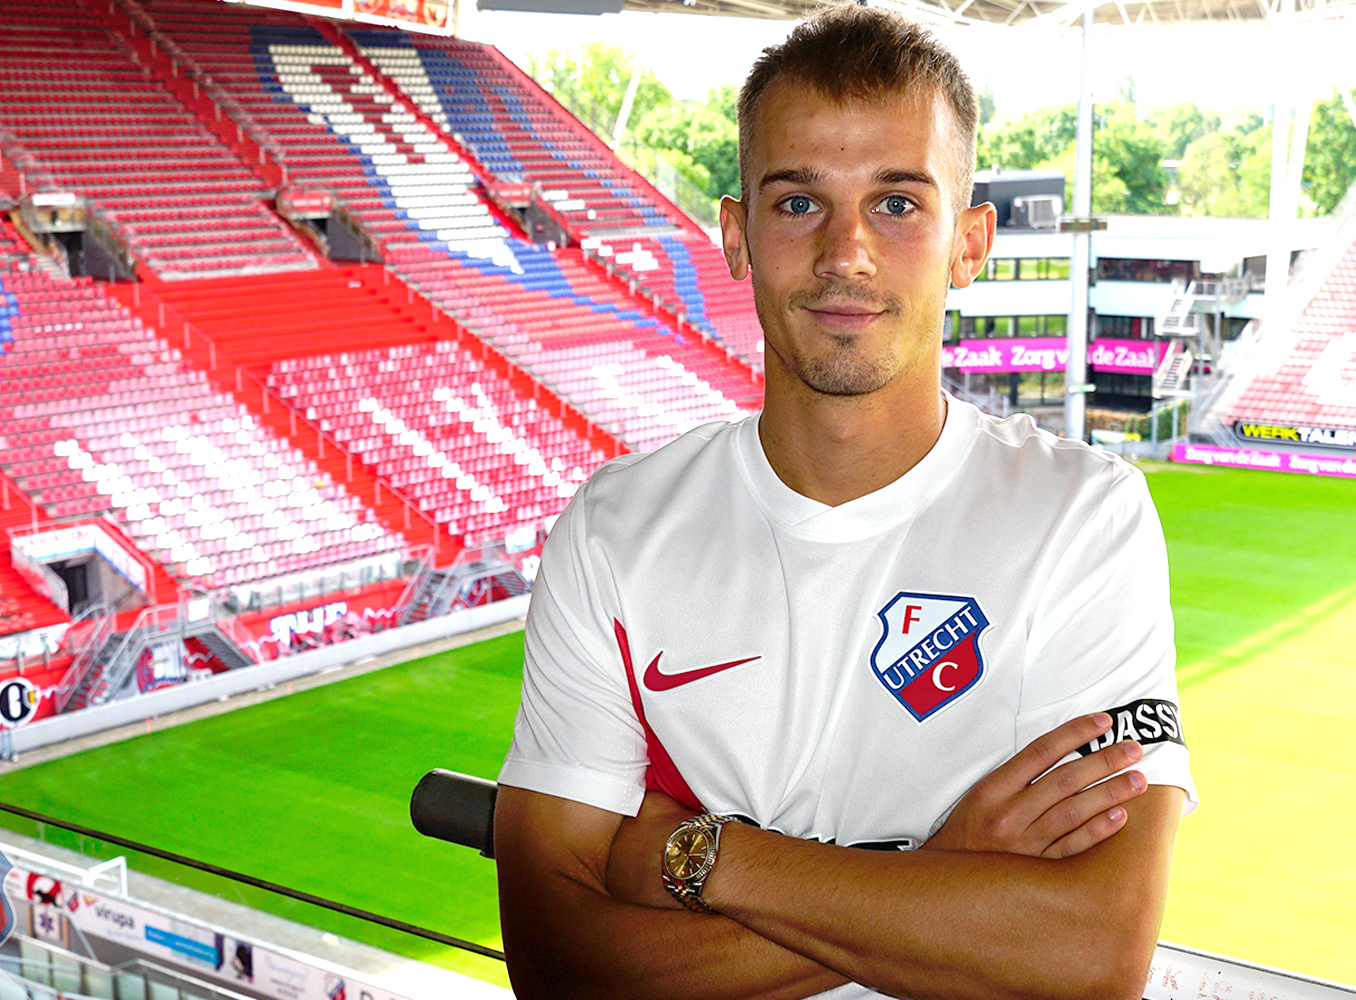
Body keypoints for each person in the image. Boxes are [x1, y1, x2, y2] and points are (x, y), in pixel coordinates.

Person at [493, 6, 1197, 999]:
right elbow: (558, 965)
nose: (846, 253)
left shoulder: (1083, 517)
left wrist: (704, 857)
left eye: (897, 203)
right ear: (737, 236)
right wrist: (940, 878)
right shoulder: (616, 530)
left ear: (969, 243)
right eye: (797, 203)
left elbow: (1090, 954)